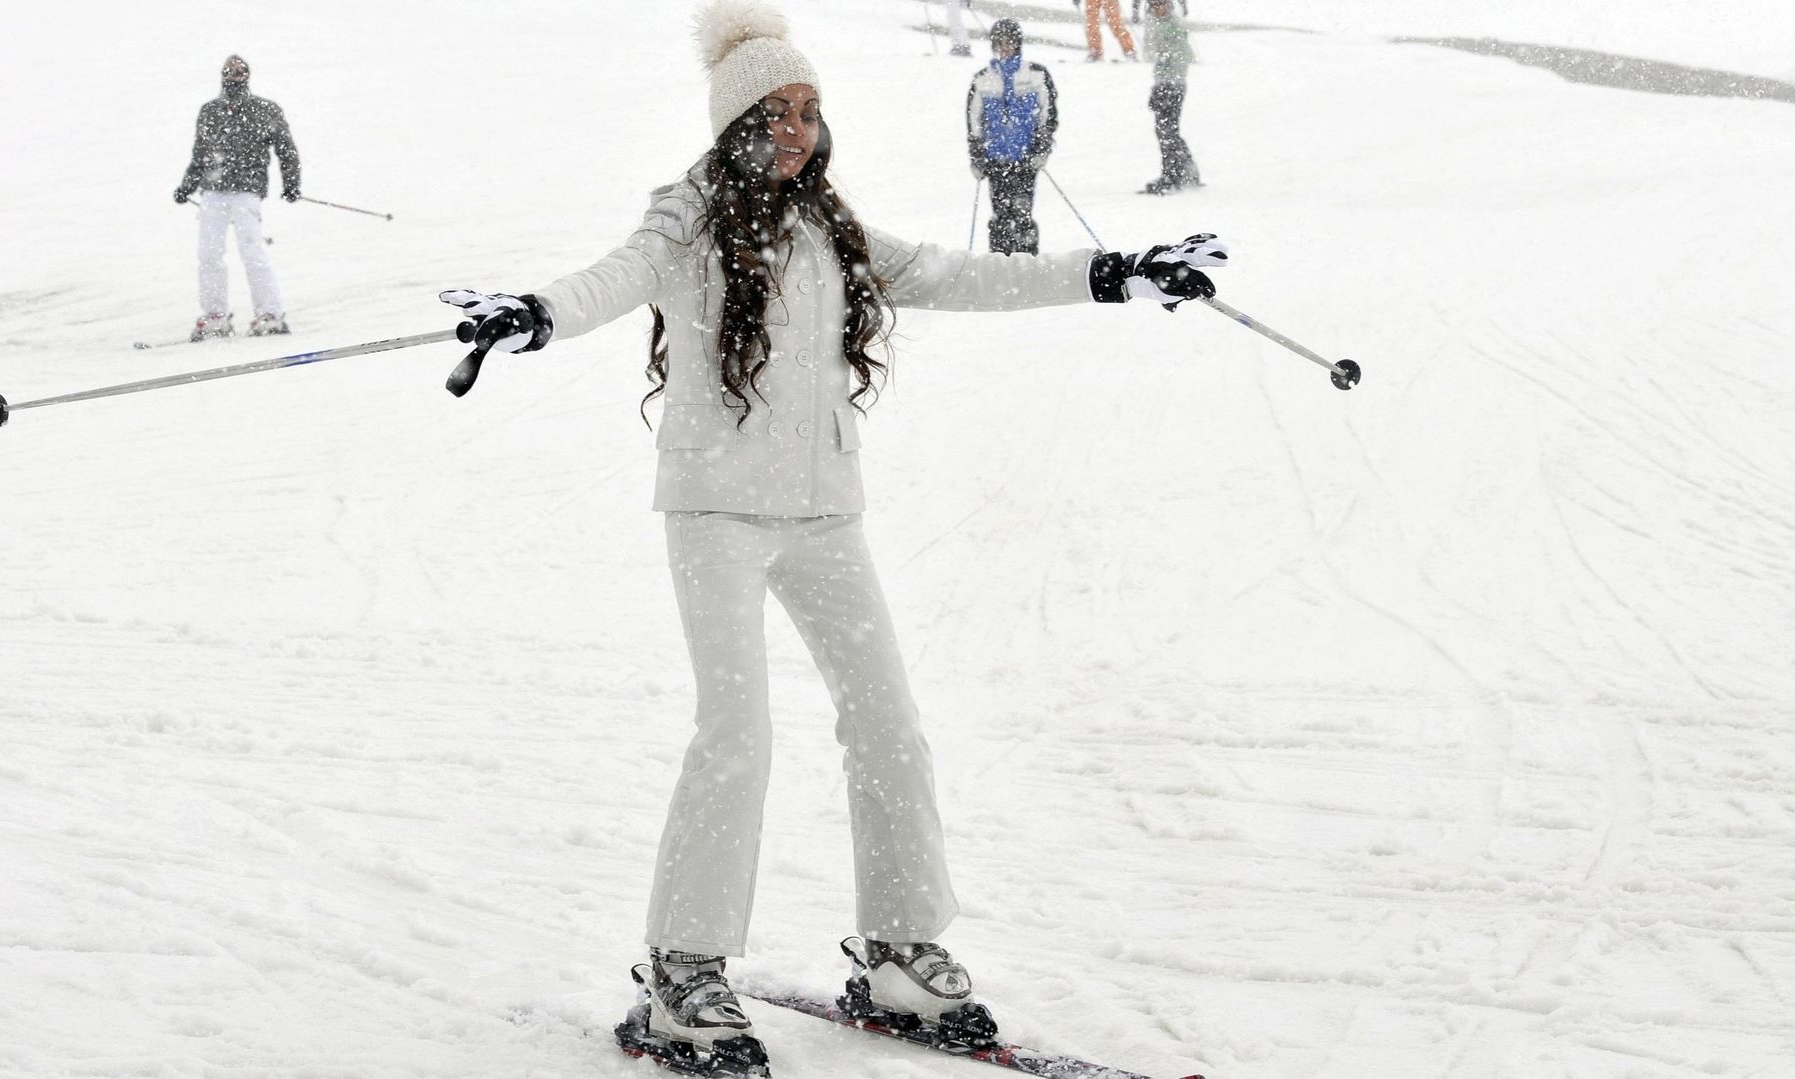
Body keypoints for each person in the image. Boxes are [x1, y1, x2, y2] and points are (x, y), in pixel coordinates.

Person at [439, 1, 1227, 1071]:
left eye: (810, 109)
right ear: (736, 120)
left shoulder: (830, 226)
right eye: (778, 110)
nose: (800, 129)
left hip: (823, 515)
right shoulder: (687, 215)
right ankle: (682, 972)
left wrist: (1110, 271)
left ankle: (900, 950)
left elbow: (954, 273)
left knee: (889, 723)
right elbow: (611, 279)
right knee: (738, 732)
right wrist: (532, 312)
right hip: (717, 511)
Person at [172, 55, 301, 341]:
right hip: (213, 192)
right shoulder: (210, 111)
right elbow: (201, 155)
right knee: (209, 253)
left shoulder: (264, 110)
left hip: (246, 190)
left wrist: (292, 183)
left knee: (251, 250)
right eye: (229, 72)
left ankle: (270, 313)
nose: (234, 76)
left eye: (239, 72)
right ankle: (215, 315)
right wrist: (187, 186)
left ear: (247, 76)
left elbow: (286, 149)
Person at [966, 19, 1058, 255]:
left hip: (1025, 158)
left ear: (1018, 44)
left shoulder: (1036, 74)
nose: (1004, 47)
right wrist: (977, 154)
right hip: (996, 159)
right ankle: (1000, 259)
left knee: (1022, 211)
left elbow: (1048, 114)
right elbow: (974, 120)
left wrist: (1042, 147)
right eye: (1000, 43)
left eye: (1009, 42)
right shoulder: (983, 79)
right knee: (1000, 213)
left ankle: (1027, 258)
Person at [1143, 0, 1201, 195]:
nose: (1157, 9)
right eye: (1153, 5)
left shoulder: (1173, 25)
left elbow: (1183, 54)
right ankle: (1187, 169)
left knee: (1166, 131)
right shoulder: (1157, 23)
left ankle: (1173, 174)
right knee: (1166, 130)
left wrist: (1166, 59)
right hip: (1163, 82)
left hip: (1173, 84)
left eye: (1160, 4)